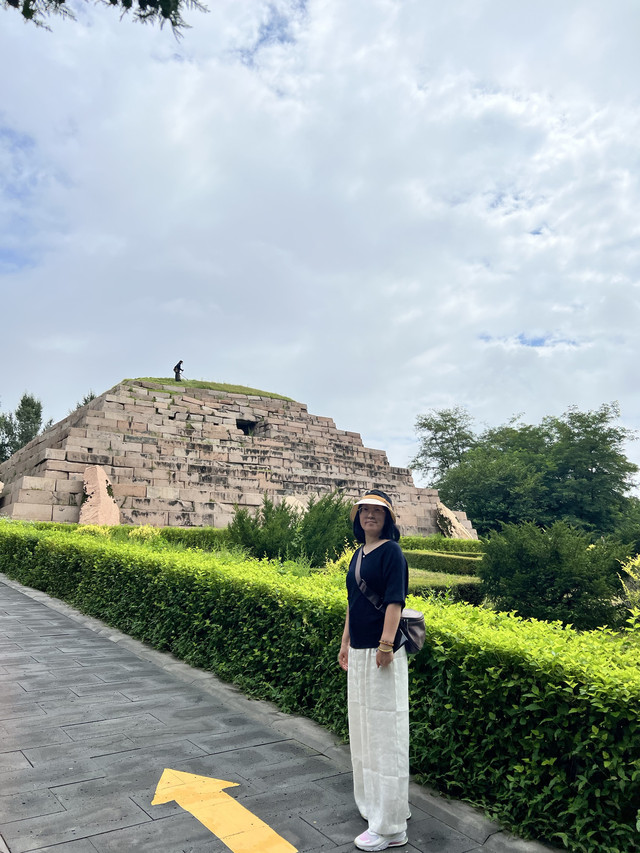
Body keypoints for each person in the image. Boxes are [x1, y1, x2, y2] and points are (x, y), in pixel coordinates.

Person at [338, 489, 410, 852]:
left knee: (386, 735)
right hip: (360, 651)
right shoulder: (358, 554)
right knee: (365, 730)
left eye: (377, 511)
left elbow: (395, 600)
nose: (370, 515)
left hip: (383, 654)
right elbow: (353, 602)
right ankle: (378, 806)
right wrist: (345, 641)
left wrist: (385, 644)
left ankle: (391, 827)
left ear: (387, 519)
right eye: (364, 510)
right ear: (358, 517)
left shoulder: (391, 552)